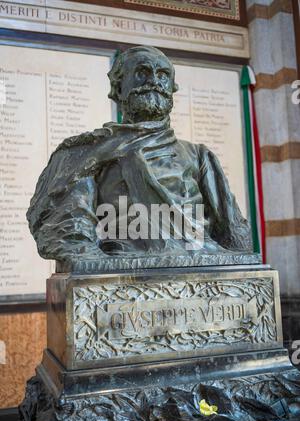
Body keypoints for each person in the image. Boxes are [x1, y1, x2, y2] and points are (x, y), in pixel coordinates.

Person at [27, 46, 251, 262]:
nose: (153, 81)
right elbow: (73, 240)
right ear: (118, 88)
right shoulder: (86, 156)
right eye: (142, 73)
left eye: (163, 75)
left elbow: (234, 235)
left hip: (201, 265)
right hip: (121, 269)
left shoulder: (199, 156)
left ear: (172, 88)